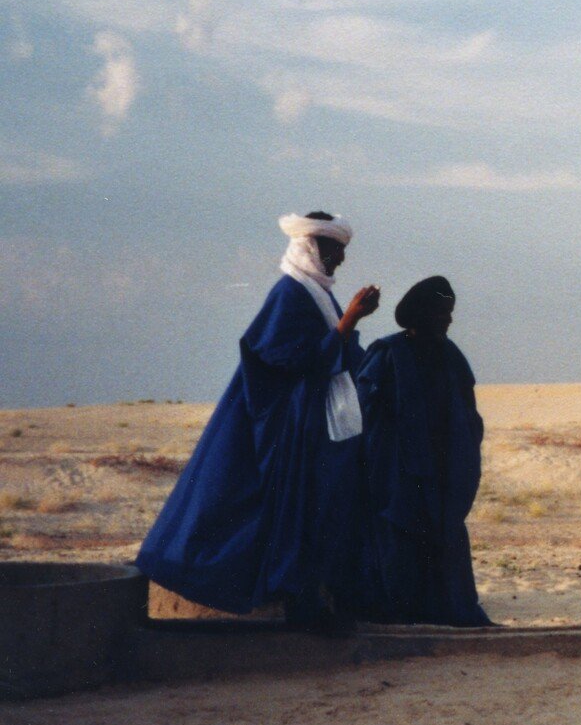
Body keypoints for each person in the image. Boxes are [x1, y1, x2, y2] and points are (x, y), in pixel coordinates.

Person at [137, 212, 380, 633]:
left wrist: (348, 328)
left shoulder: (316, 294)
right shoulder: (290, 294)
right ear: (311, 247)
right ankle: (297, 604)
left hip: (311, 424)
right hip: (284, 428)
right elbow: (283, 361)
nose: (340, 258)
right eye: (334, 249)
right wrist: (348, 323)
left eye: (341, 250)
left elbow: (329, 356)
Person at [356, 275, 494, 627]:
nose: (448, 320)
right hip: (398, 468)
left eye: (450, 312)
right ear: (422, 313)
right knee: (399, 536)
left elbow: (467, 408)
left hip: (443, 468)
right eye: (441, 312)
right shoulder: (388, 353)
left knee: (443, 533)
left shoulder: (450, 355)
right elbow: (366, 410)